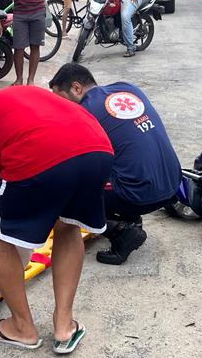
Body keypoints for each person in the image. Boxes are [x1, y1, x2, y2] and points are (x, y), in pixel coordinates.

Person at [0, 75, 114, 354]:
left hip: (41, 150)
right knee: (67, 227)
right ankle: (64, 327)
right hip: (98, 147)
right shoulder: (12, 98)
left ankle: (22, 327)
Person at [49, 63, 181, 265]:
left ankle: (121, 231)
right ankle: (130, 217)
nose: (62, 108)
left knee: (63, 189)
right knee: (118, 160)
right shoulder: (127, 88)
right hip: (173, 181)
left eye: (62, 100)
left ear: (76, 88)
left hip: (142, 194)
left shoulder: (84, 112)